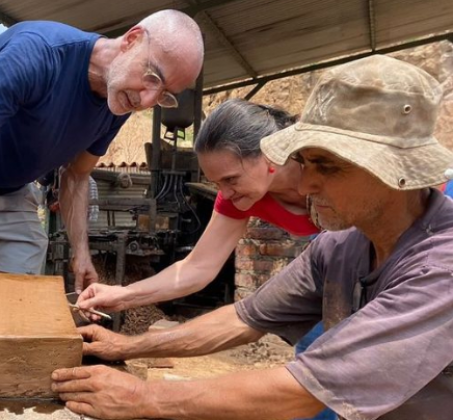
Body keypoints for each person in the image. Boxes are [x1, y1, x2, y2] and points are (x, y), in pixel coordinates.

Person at [52, 55, 453, 420]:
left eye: (328, 166)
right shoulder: (340, 247)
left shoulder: (440, 265)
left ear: (393, 171)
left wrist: (143, 398)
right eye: (305, 161)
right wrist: (123, 346)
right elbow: (244, 318)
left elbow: (305, 389)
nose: (307, 184)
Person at [0, 10, 205, 305]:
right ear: (132, 40)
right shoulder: (38, 54)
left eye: (162, 96)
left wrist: (81, 253)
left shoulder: (118, 100)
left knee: (20, 305)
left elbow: (77, 177)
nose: (146, 100)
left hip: (12, 193)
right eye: (152, 78)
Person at [76, 99, 335, 420]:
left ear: (270, 156)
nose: (223, 192)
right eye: (215, 183)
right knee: (315, 349)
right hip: (326, 253)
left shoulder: (330, 171)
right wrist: (122, 295)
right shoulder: (241, 196)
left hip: (372, 252)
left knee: (337, 358)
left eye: (230, 179)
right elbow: (198, 267)